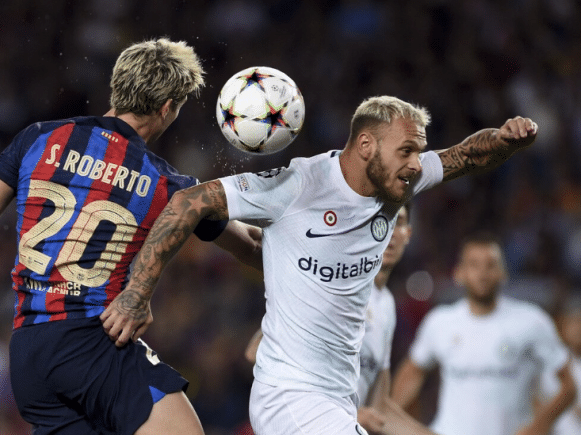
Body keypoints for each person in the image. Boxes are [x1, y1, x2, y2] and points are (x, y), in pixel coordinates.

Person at [100, 95, 539, 434]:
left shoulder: (399, 184)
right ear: (366, 145)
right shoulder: (299, 185)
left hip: (338, 399)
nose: (415, 164)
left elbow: (466, 156)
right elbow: (189, 201)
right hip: (289, 396)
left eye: (418, 153)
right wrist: (137, 292)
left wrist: (504, 141)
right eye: (406, 151)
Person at [0, 38, 262, 435]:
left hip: (29, 354)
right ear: (167, 108)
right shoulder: (167, 185)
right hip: (93, 343)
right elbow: (251, 246)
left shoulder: (37, 138)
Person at [244, 204, 438, 435]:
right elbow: (256, 352)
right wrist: (350, 414)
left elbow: (378, 408)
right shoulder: (334, 281)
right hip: (301, 420)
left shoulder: (386, 305)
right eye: (381, 219)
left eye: (399, 222)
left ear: (409, 234)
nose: (389, 230)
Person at [391, 233, 576, 435]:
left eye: (491, 265)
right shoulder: (440, 322)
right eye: (474, 265)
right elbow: (412, 372)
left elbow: (569, 386)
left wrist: (539, 425)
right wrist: (390, 417)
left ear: (503, 272)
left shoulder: (531, 322)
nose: (482, 273)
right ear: (459, 273)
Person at [538, 298, 581, 435]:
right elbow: (539, 400)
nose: (578, 330)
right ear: (562, 327)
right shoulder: (552, 364)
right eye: (573, 324)